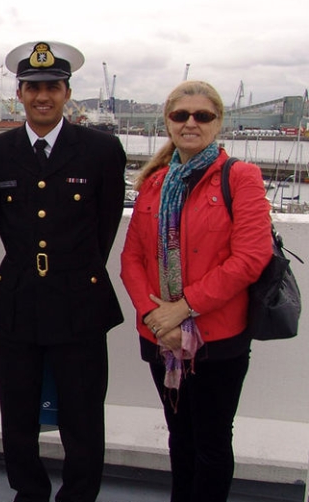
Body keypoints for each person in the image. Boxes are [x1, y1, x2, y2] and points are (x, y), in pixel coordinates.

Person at [0, 41, 127, 502]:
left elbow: (104, 228)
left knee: (83, 414)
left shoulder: (101, 149)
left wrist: (69, 270)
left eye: (52, 87)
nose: (42, 96)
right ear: (19, 93)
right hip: (20, 298)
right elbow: (5, 223)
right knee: (18, 414)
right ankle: (30, 491)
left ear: (67, 93)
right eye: (33, 88)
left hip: (79, 298)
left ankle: (79, 495)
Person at [120, 81, 272, 502]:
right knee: (178, 437)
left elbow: (250, 257)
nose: (190, 123)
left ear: (218, 122)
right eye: (180, 115)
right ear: (167, 122)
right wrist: (156, 318)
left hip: (216, 339)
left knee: (210, 443)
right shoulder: (154, 183)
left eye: (202, 116)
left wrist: (183, 309)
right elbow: (132, 257)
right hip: (158, 336)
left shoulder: (240, 177)